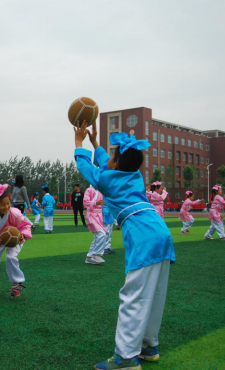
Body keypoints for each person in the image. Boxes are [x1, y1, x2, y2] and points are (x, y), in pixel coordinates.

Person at [74, 120, 175, 370]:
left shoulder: (108, 178)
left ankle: (126, 357)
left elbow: (87, 167)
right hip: (160, 231)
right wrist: (95, 141)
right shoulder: (134, 175)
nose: (107, 159)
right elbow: (108, 160)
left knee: (134, 297)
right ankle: (148, 346)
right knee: (155, 293)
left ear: (116, 163)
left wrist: (79, 142)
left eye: (112, 157)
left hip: (143, 235)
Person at [83, 185, 106, 264]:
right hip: (92, 215)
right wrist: (96, 202)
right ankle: (96, 254)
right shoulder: (89, 190)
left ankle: (89, 257)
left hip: (99, 215)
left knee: (98, 236)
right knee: (101, 234)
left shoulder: (100, 190)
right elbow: (85, 202)